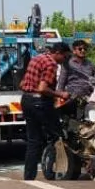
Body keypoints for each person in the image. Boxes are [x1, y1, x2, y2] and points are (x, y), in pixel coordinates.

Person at [20, 42, 71, 180]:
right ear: (58, 53)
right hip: (40, 103)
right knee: (57, 136)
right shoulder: (51, 64)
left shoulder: (37, 59)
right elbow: (42, 88)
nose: (65, 60)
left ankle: (29, 176)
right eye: (65, 57)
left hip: (26, 100)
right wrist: (61, 95)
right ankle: (55, 172)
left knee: (33, 140)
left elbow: (22, 84)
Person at [57, 39, 95, 115]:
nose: (83, 51)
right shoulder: (67, 63)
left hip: (87, 99)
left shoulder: (90, 64)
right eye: (80, 49)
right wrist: (59, 97)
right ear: (74, 51)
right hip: (71, 99)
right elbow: (61, 82)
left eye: (85, 49)